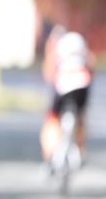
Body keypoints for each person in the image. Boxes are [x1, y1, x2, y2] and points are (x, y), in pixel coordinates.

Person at [40, 28, 94, 168]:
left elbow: (50, 71)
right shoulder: (79, 41)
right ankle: (81, 152)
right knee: (80, 118)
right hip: (82, 83)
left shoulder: (57, 46)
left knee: (52, 119)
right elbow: (91, 63)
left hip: (63, 84)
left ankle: (49, 155)